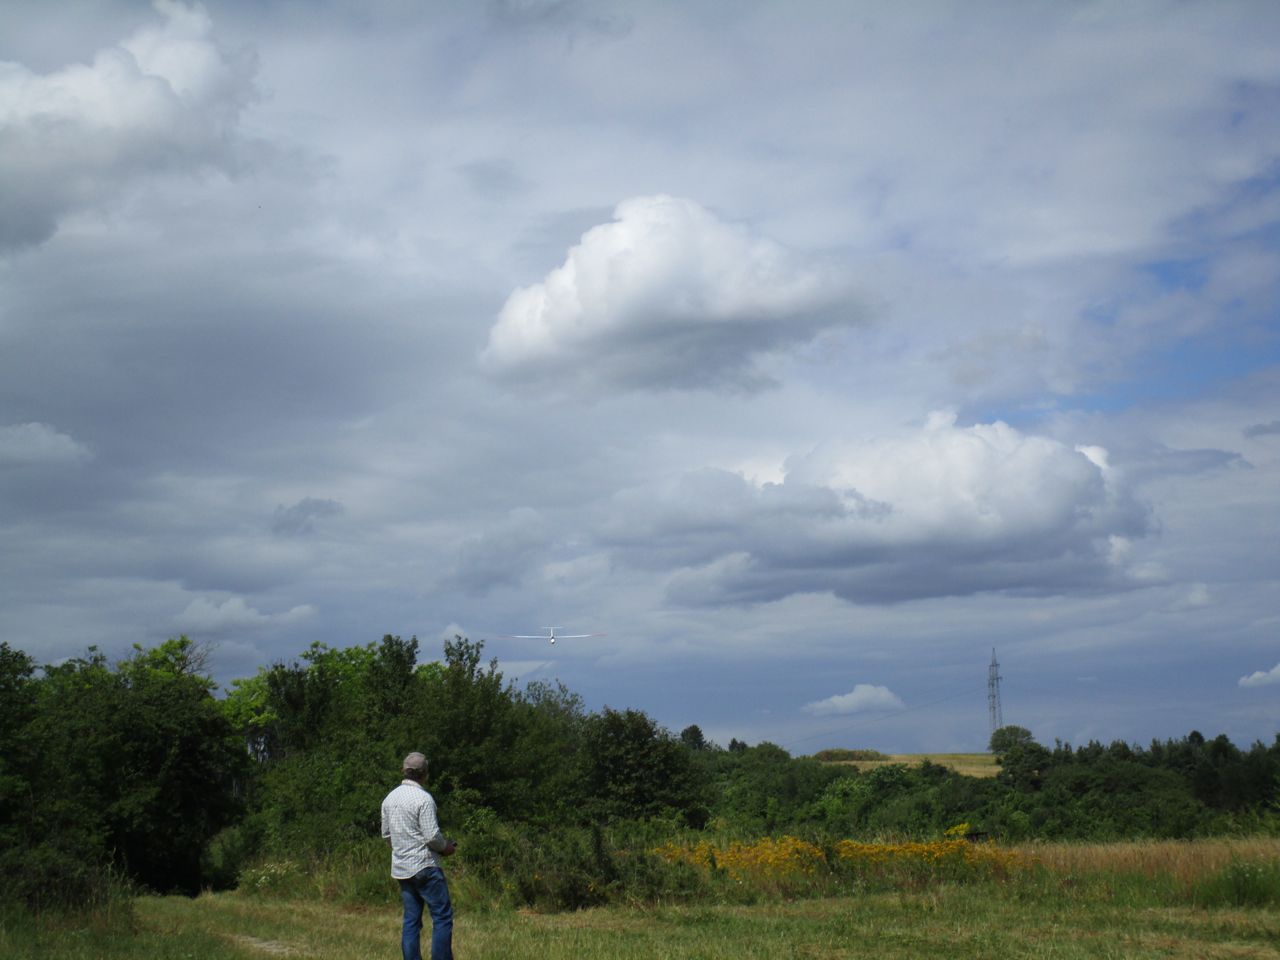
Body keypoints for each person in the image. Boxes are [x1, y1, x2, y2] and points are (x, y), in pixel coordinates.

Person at [381, 752, 457, 960]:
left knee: (411, 921)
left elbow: (386, 835)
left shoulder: (389, 799)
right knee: (442, 917)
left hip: (402, 868)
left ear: (403, 770)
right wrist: (445, 847)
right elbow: (432, 836)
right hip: (425, 866)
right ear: (425, 773)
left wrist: (402, 848)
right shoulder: (424, 799)